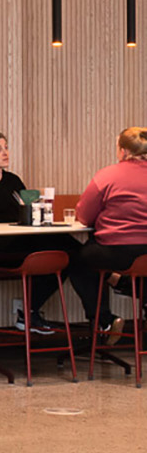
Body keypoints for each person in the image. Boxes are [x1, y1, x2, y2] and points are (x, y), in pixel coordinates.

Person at [0, 131, 80, 334]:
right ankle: (29, 311)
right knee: (61, 250)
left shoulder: (13, 181)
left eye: (6, 148)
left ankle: (30, 311)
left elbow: (28, 210)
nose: (5, 153)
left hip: (22, 238)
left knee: (68, 251)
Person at [68, 127, 147, 336]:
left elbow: (84, 216)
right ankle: (124, 285)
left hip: (115, 252)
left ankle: (105, 321)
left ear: (124, 151)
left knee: (78, 261)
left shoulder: (108, 175)